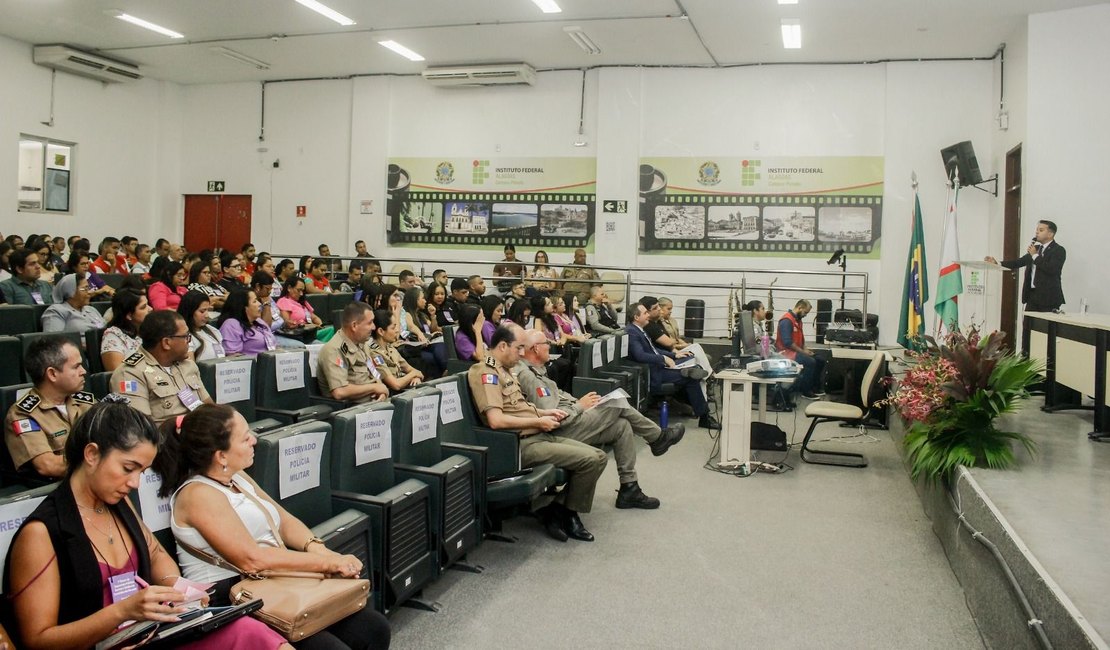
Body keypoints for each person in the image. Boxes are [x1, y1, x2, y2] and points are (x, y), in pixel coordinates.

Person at [3, 398, 290, 650]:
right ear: (91, 455)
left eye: (141, 471)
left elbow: (154, 554)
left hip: (148, 634)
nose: (135, 483)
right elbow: (38, 640)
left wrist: (176, 589)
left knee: (251, 633)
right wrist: (122, 612)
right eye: (128, 468)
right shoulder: (41, 533)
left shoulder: (117, 502)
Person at [153, 404, 389, 650]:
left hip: (272, 581)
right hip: (234, 595)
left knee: (373, 629)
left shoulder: (237, 477)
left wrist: (320, 549)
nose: (254, 440)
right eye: (245, 439)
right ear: (221, 456)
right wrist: (328, 564)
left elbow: (283, 520)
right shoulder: (197, 494)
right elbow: (252, 560)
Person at [515, 328, 683, 509]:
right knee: (617, 402)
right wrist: (580, 406)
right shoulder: (528, 375)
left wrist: (578, 401)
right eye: (546, 343)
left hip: (571, 419)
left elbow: (557, 397)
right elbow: (552, 412)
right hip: (561, 429)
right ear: (535, 349)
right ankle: (657, 437)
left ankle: (629, 487)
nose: (550, 346)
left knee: (622, 426)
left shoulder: (537, 370)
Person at [468, 325, 606, 542]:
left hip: (536, 434)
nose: (523, 354)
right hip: (519, 444)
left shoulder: (504, 369)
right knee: (589, 460)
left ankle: (558, 509)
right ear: (503, 346)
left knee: (599, 457)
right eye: (519, 348)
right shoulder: (486, 372)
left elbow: (520, 407)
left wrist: (545, 412)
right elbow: (496, 420)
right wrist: (538, 421)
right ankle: (568, 514)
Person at [4, 336, 96, 481]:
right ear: (52, 374)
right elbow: (48, 465)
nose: (83, 371)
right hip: (59, 490)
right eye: (76, 366)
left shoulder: (85, 402)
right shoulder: (23, 414)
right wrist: (102, 463)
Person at [111, 310, 214, 424]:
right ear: (166, 343)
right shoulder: (130, 374)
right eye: (185, 337)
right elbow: (140, 428)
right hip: (168, 438)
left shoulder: (188, 365)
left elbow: (209, 406)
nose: (189, 342)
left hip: (201, 433)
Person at [626, 303, 718, 429]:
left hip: (659, 367)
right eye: (645, 313)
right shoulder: (632, 332)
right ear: (636, 317)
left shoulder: (639, 330)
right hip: (654, 373)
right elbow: (640, 355)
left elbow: (654, 350)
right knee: (692, 378)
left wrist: (674, 355)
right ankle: (704, 417)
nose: (648, 315)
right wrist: (663, 358)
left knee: (691, 361)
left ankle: (692, 371)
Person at [985, 219, 1067, 313]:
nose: (1037, 232)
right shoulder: (1036, 249)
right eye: (1036, 230)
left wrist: (1035, 256)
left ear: (1050, 234)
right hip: (1032, 296)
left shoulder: (1058, 250)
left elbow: (1051, 269)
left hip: (1049, 298)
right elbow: (1018, 262)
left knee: (1044, 327)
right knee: (1028, 326)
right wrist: (998, 263)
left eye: (1041, 230)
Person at [316, 302, 389, 404]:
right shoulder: (334, 350)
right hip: (353, 411)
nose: (373, 327)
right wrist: (374, 388)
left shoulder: (362, 344)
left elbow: (374, 373)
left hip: (374, 405)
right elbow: (339, 392)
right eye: (370, 323)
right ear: (354, 325)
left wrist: (381, 390)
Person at [646, 296, 713, 387]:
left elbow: (675, 338)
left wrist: (683, 344)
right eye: (668, 309)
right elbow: (669, 342)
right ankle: (709, 376)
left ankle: (707, 376)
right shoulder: (654, 325)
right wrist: (680, 347)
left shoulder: (671, 321)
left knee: (696, 348)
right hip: (669, 352)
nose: (670, 311)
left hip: (673, 349)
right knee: (696, 349)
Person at [775, 299, 827, 399]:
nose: (805, 315)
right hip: (786, 353)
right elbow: (788, 342)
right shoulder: (786, 321)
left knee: (820, 360)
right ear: (799, 308)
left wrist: (806, 349)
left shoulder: (798, 321)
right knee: (810, 362)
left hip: (796, 351)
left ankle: (814, 387)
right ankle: (805, 390)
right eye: (805, 312)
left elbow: (801, 340)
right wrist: (803, 352)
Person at [368, 309, 423, 393]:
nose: (397, 331)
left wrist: (416, 377)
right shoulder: (374, 353)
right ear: (381, 331)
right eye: (393, 328)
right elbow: (396, 385)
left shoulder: (390, 348)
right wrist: (413, 374)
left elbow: (412, 370)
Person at [101, 290, 151, 372]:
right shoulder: (113, 335)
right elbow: (118, 374)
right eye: (143, 307)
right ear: (129, 315)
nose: (150, 309)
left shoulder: (151, 329)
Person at [218, 290, 276, 357]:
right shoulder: (231, 324)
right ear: (243, 307)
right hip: (252, 365)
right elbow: (233, 356)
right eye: (254, 301)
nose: (259, 304)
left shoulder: (259, 321)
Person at [403, 286, 446, 376]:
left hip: (428, 342)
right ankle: (446, 371)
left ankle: (446, 371)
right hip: (418, 345)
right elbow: (411, 326)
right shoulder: (407, 314)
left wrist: (433, 316)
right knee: (431, 356)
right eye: (422, 298)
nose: (425, 301)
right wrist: (421, 334)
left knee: (440, 346)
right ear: (415, 300)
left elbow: (433, 328)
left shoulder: (422, 315)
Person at [177, 290, 226, 362]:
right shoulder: (184, 337)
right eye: (202, 311)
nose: (207, 315)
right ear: (190, 311)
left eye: (208, 310)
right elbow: (190, 369)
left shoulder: (213, 330)